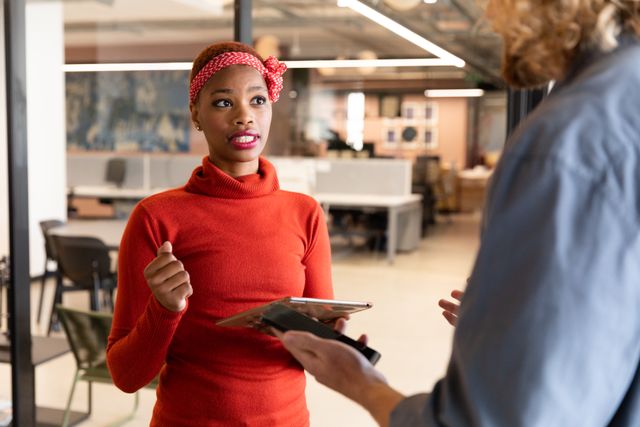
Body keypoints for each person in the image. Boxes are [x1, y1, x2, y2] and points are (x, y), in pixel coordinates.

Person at [277, 0, 640, 425]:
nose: (490, 15)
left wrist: (359, 381)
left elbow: (490, 419)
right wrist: (513, 316)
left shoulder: (567, 138)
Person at [106, 41, 334, 426]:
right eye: (224, 103)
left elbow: (317, 353)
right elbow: (126, 376)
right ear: (195, 113)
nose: (245, 116)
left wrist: (336, 343)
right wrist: (164, 309)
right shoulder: (156, 218)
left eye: (258, 100)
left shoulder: (305, 212)